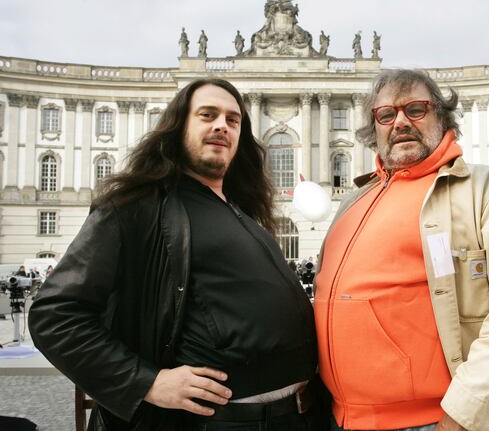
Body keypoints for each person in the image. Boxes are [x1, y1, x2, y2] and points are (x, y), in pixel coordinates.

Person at [29, 78, 325, 431]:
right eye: (207, 115)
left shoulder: (244, 214)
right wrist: (146, 382)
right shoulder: (135, 206)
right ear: (177, 127)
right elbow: (55, 315)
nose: (221, 125)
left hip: (292, 419)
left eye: (233, 120)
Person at [314, 69, 489, 431]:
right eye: (386, 115)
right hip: (343, 420)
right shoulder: (354, 201)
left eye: (415, 109)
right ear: (375, 128)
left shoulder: (483, 188)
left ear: (442, 117)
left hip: (436, 423)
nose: (400, 121)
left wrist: (463, 415)